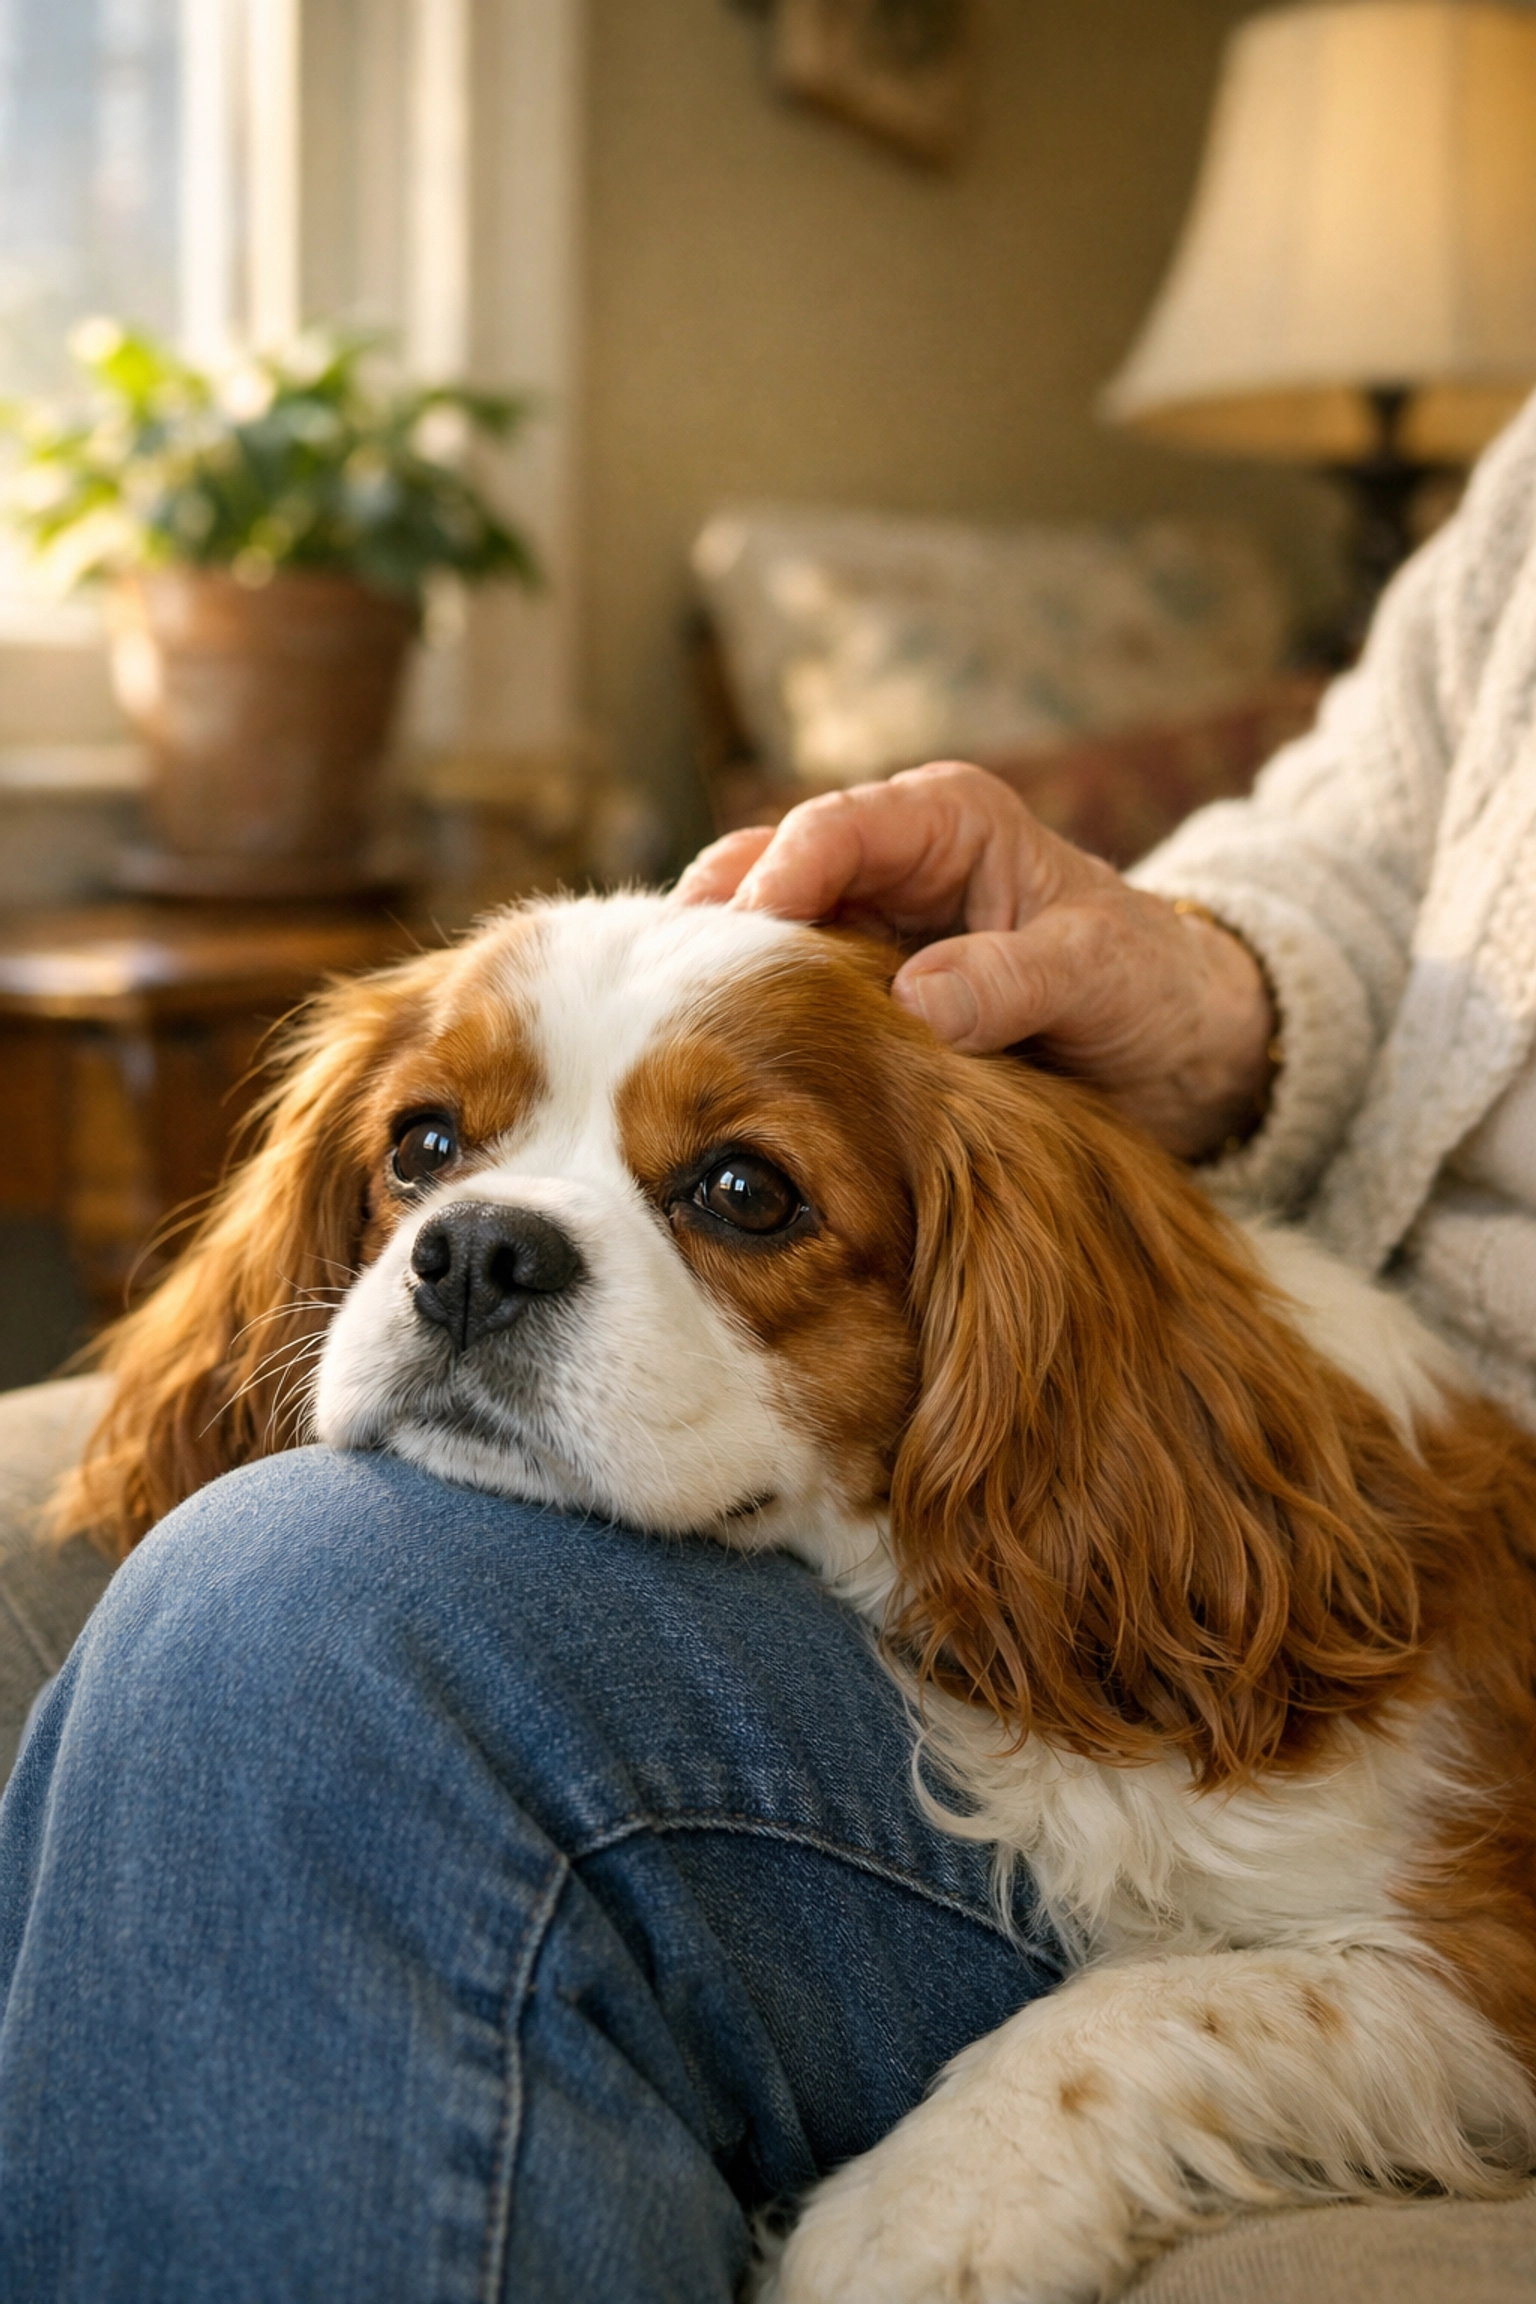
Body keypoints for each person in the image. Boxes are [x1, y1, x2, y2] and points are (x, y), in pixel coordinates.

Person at [5, 392, 1536, 2301]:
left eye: (738, 1196)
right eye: (432, 1148)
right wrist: (1210, 974)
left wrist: (1068, 2109)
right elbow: (1367, 858)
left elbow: (1466, 1981)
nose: (483, 1240)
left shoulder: (1166, 1446)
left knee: (285, 1625)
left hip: (1256, 1556)